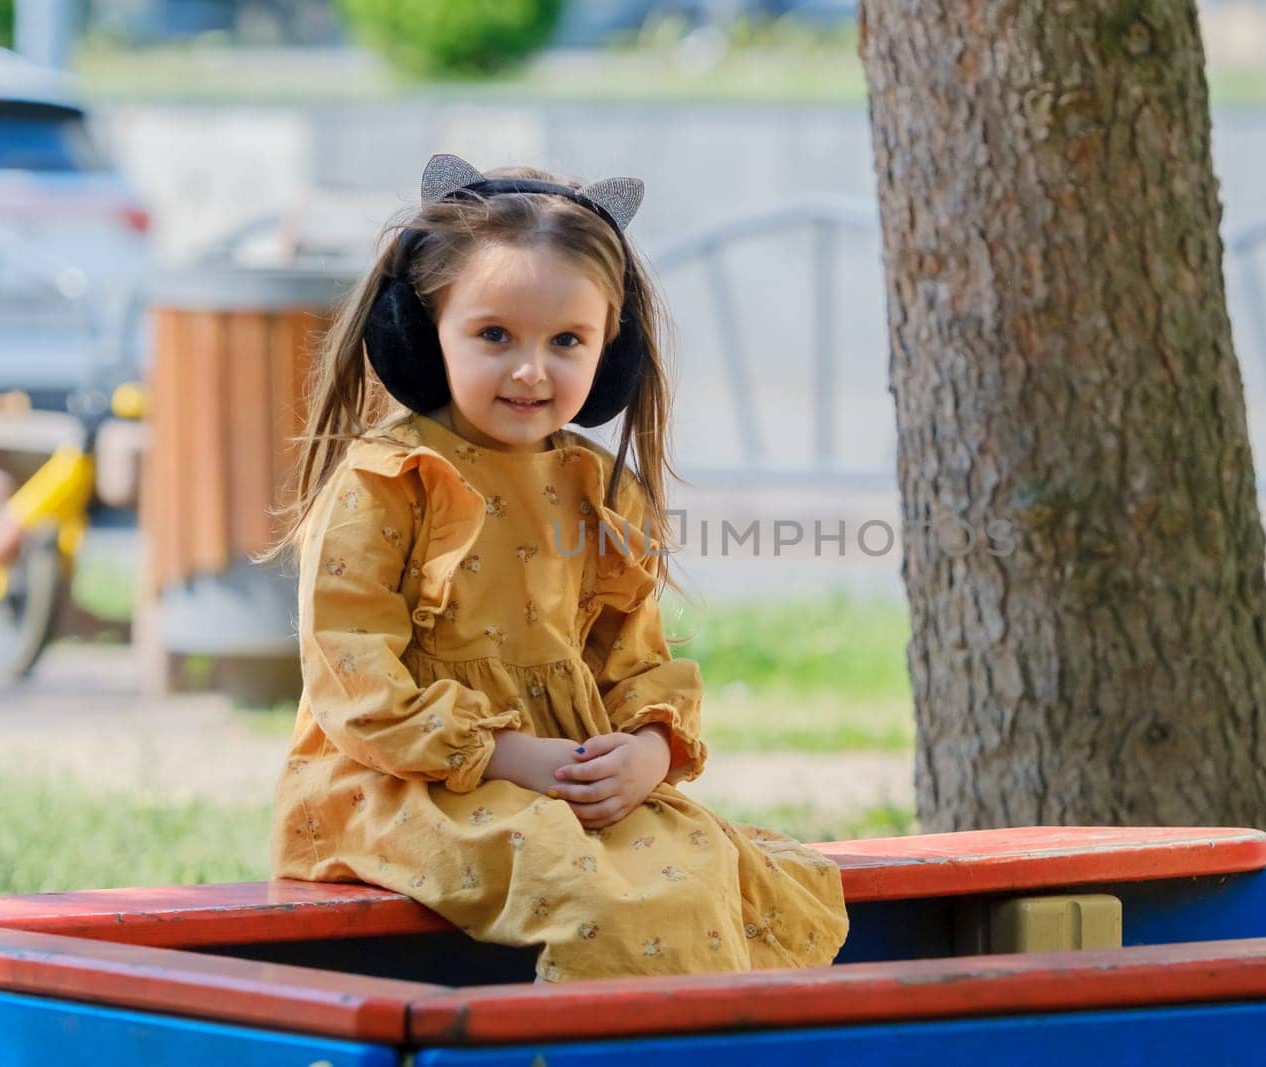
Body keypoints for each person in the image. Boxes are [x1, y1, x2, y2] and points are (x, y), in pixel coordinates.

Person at [256, 154, 849, 982]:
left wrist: (646, 747)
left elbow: (632, 657)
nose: (532, 368)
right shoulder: (388, 479)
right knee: (604, 900)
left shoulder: (598, 488)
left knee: (721, 875)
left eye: (566, 340)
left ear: (611, 347)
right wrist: (507, 756)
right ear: (425, 331)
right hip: (401, 785)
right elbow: (352, 677)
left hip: (567, 780)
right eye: (494, 334)